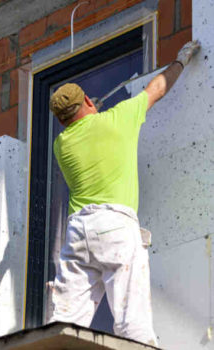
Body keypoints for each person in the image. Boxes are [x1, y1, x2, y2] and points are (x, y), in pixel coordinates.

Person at [46, 40, 201, 346]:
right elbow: (156, 88)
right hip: (115, 226)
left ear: (61, 120)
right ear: (89, 101)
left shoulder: (61, 145)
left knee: (65, 322)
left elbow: (84, 131)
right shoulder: (119, 120)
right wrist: (180, 61)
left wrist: (93, 116)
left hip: (78, 233)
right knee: (133, 321)